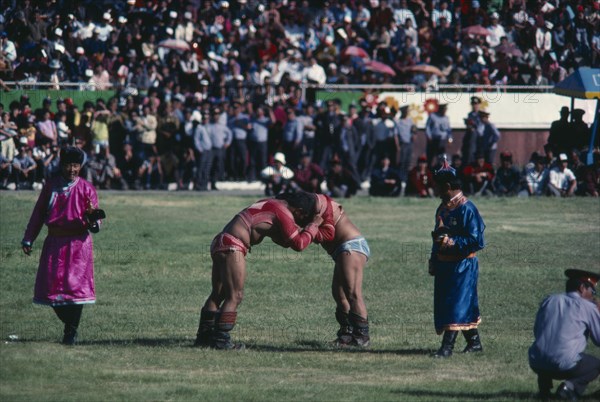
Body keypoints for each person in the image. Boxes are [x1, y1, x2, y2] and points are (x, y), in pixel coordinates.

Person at [194, 192, 334, 349]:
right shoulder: (283, 212)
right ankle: (221, 341)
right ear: (299, 211)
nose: (298, 221)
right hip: (233, 245)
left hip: (221, 241)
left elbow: (282, 239)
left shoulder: (271, 203)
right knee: (235, 296)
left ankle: (204, 338)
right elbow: (298, 244)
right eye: (301, 218)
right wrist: (313, 225)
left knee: (218, 294)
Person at [21, 147, 104, 345]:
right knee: (51, 288)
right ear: (62, 165)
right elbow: (39, 213)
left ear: (80, 166)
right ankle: (70, 324)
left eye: (76, 165)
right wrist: (28, 238)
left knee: (76, 289)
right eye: (68, 165)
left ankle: (71, 332)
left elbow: (95, 221)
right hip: (55, 244)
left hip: (79, 246)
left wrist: (93, 221)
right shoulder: (51, 186)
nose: (72, 169)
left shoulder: (86, 188)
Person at [428, 158, 486, 358]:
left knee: (456, 303)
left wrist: (452, 243)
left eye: (438, 187)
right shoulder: (442, 208)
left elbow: (476, 240)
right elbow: (438, 235)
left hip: (463, 265)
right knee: (454, 303)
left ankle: (447, 348)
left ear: (447, 186)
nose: (435, 191)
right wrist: (434, 259)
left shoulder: (467, 209)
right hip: (445, 265)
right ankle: (474, 342)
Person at [528, 269, 600, 400]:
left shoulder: (549, 300)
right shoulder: (587, 307)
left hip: (536, 362)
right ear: (582, 288)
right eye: (593, 291)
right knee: (596, 365)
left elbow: (537, 331)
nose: (593, 296)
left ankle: (544, 391)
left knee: (548, 349)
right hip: (565, 366)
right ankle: (569, 387)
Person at [313, 193, 371, 347]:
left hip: (351, 246)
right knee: (339, 294)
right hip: (342, 250)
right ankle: (346, 334)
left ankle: (361, 337)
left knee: (353, 293)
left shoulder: (321, 207)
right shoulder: (313, 209)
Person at [425, 103, 452, 167]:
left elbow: (448, 129)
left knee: (441, 157)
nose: (444, 111)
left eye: (445, 110)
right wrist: (429, 136)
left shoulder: (446, 118)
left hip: (442, 140)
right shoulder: (432, 116)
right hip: (433, 139)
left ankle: (440, 169)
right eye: (443, 109)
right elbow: (427, 127)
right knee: (430, 156)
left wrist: (450, 139)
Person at [462, 96, 483, 166]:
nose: (475, 106)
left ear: (479, 105)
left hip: (481, 137)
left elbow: (482, 127)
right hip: (472, 138)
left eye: (476, 104)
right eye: (473, 104)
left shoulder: (482, 115)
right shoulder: (470, 114)